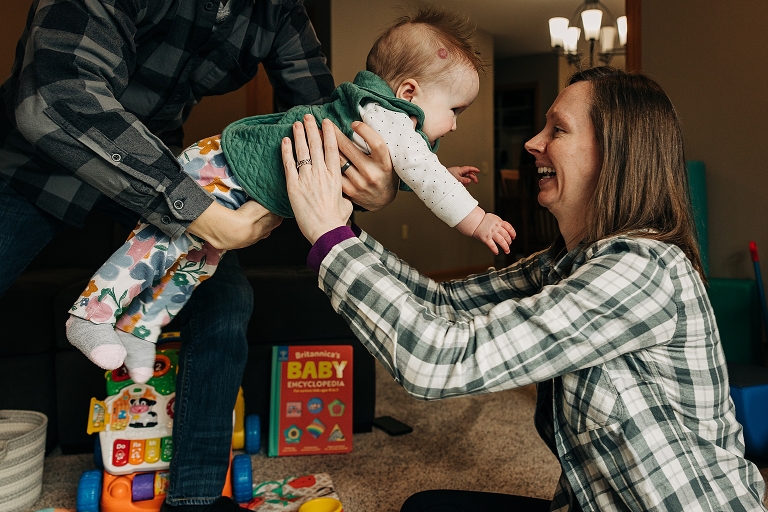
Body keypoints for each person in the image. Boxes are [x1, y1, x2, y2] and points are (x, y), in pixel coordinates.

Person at [281, 67, 768, 511]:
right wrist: (342, 227)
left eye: (558, 130)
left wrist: (331, 240)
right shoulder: (568, 264)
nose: (534, 142)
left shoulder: (643, 269)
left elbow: (436, 360)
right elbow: (444, 304)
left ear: (615, 154)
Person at [0, 1, 395, 511]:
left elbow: (322, 119)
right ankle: (94, 316)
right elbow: (56, 93)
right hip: (36, 158)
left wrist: (369, 186)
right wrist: (197, 212)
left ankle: (196, 498)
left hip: (156, 165)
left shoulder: (279, 12)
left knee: (225, 302)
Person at [64, 6, 515, 381]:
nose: (455, 125)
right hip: (223, 167)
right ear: (409, 91)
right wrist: (477, 219)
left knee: (199, 261)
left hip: (241, 189)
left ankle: (138, 328)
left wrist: (443, 173)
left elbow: (414, 170)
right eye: (455, 109)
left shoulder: (389, 124)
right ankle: (90, 313)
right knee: (163, 242)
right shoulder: (388, 114)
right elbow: (421, 172)